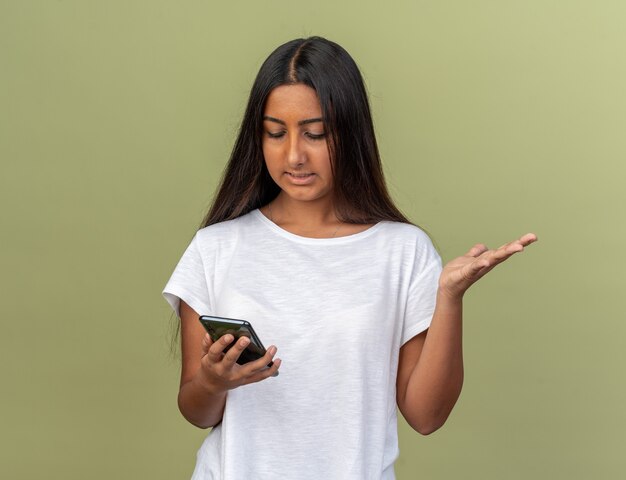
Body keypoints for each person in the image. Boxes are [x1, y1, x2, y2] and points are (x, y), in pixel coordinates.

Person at [162, 36, 537, 480]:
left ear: (351, 132)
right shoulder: (215, 248)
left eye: (316, 134)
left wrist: (449, 299)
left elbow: (426, 416)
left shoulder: (403, 251)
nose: (294, 155)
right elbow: (197, 411)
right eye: (276, 133)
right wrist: (213, 381)